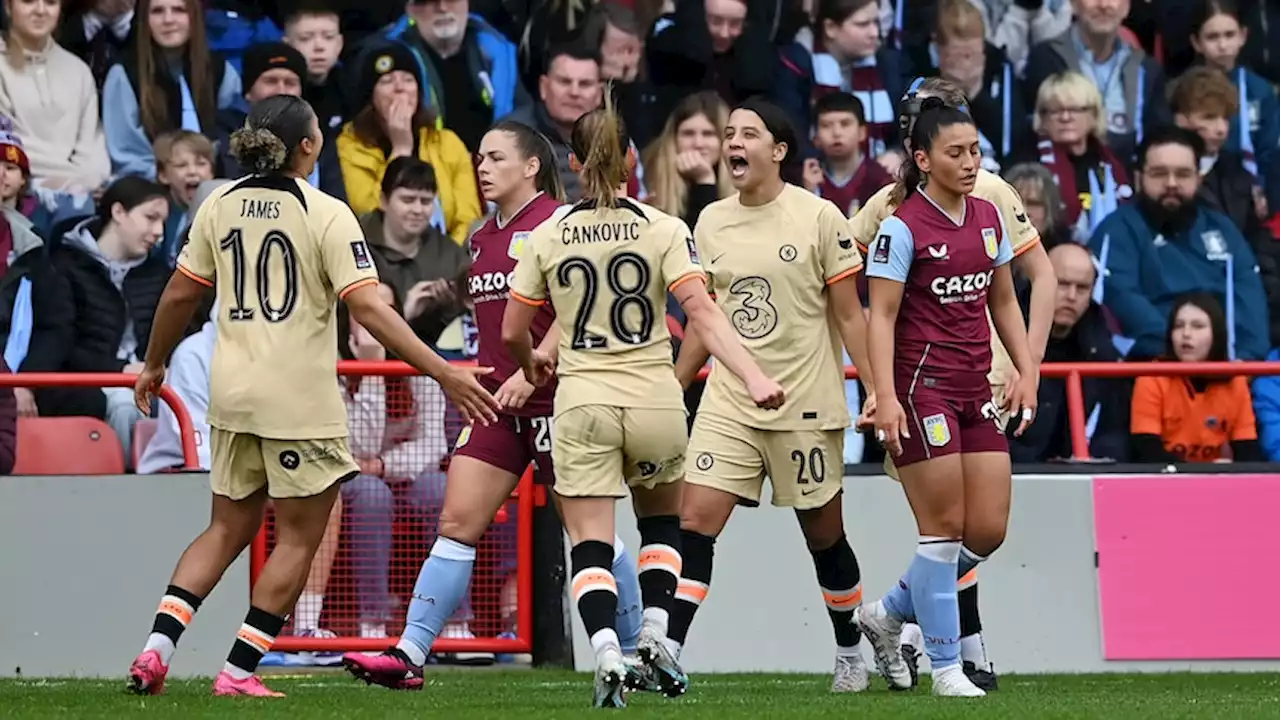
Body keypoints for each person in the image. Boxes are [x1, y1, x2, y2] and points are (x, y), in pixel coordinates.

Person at [125, 93, 499, 698]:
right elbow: (371, 309)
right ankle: (239, 671)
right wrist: (443, 371)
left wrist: (153, 364)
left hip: (232, 394)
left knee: (224, 528)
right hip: (297, 400)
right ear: (308, 146)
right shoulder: (325, 211)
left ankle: (154, 652)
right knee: (301, 536)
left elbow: (177, 295)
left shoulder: (217, 202)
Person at [344, 118, 652, 688]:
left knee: (592, 537)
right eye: (479, 159)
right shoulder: (482, 237)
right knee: (456, 521)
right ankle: (409, 654)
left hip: (560, 404)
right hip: (496, 405)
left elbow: (578, 308)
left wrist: (535, 368)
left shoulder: (562, 224)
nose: (481, 168)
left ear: (532, 166)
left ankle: (637, 654)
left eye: (494, 158)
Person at [500, 89, 784, 708]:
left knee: (592, 542)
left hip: (583, 402)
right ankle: (655, 633)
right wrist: (754, 375)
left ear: (573, 165)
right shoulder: (664, 228)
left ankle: (607, 649)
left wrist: (534, 364)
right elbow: (704, 315)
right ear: (631, 159)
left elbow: (511, 331)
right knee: (661, 527)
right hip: (656, 399)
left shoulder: (547, 234)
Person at [849, 76, 1054, 691]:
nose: (970, 164)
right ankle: (944, 666)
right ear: (922, 159)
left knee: (986, 530)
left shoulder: (990, 215)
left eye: (975, 152)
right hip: (922, 389)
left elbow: (1004, 302)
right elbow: (879, 316)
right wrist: (883, 397)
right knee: (941, 532)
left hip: (976, 388)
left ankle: (888, 614)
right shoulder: (900, 226)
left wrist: (1027, 371)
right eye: (956, 153)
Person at [669, 97, 876, 694]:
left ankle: (849, 650)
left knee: (824, 535)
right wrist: (676, 386)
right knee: (694, 522)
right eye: (728, 133)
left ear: (778, 151)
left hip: (805, 402)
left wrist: (879, 393)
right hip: (730, 400)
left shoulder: (819, 218)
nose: (733, 143)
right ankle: (669, 652)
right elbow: (705, 318)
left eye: (747, 134)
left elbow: (850, 318)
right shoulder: (709, 221)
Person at [1130, 292, 1262, 463]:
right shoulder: (1151, 377)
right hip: (1165, 482)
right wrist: (1199, 476)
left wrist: (1230, 470)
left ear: (1217, 334)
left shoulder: (1235, 381)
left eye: (1197, 326)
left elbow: (1247, 449)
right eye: (1178, 326)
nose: (1186, 333)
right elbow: (1146, 449)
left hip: (1217, 483)